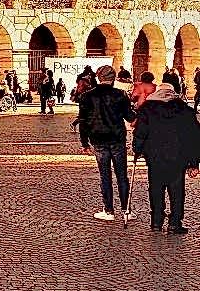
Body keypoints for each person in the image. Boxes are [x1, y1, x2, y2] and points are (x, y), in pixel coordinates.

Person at [133, 82, 200, 234]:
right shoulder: (184, 110)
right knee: (177, 191)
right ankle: (175, 223)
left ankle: (156, 221)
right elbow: (194, 137)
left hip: (155, 156)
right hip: (178, 157)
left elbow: (140, 132)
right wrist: (194, 162)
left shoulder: (147, 109)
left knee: (156, 188)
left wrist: (137, 150)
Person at [79, 66, 135, 221]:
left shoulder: (86, 97)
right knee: (122, 175)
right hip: (117, 138)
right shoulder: (120, 95)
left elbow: (83, 122)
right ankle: (126, 210)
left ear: (98, 77)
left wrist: (84, 143)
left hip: (98, 139)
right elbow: (130, 117)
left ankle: (108, 210)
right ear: (113, 78)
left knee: (105, 176)